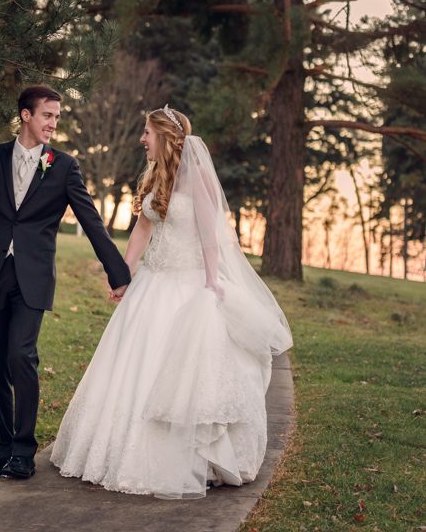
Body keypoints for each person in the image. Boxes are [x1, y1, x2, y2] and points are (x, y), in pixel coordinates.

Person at [50, 105, 293, 499]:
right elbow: (142, 231)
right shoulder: (154, 177)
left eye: (147, 133)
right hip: (151, 284)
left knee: (181, 372)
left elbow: (212, 235)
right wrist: (122, 274)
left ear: (164, 136)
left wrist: (212, 282)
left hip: (187, 284)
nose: (142, 140)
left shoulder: (197, 176)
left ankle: (192, 459)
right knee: (133, 364)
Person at [0, 85, 132, 480]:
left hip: (33, 277)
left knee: (20, 356)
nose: (53, 124)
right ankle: (3, 449)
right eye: (47, 115)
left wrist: (119, 275)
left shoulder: (64, 166)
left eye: (57, 117)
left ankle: (24, 452)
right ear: (26, 115)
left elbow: (91, 222)